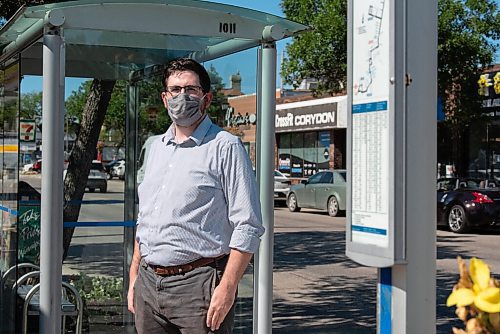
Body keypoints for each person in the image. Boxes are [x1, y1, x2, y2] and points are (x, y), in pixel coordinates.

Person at [127, 58, 264, 334]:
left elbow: (248, 226)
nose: (182, 97)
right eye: (175, 90)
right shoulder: (157, 148)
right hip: (148, 283)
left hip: (198, 287)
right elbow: (146, 220)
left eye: (191, 90)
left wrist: (227, 287)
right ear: (165, 99)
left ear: (206, 98)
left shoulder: (225, 147)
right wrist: (134, 278)